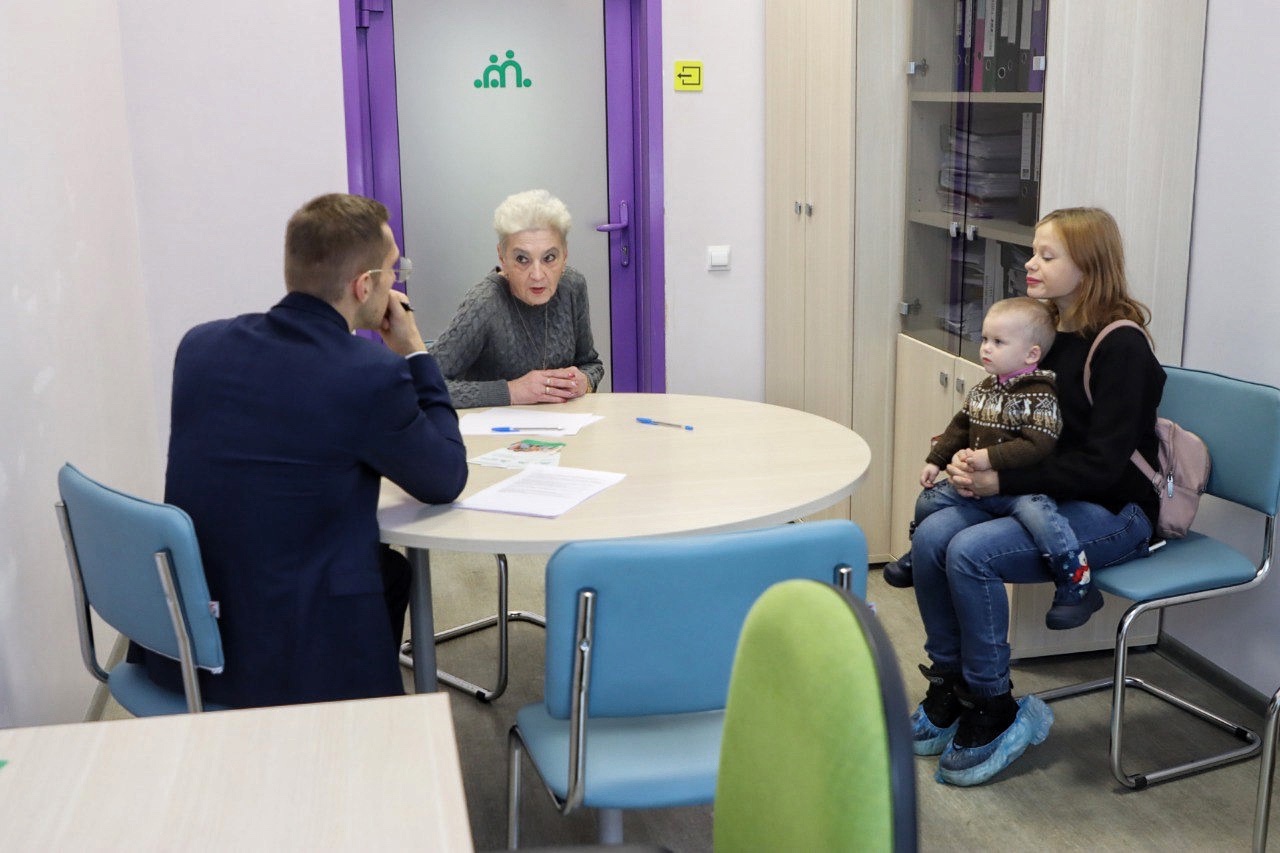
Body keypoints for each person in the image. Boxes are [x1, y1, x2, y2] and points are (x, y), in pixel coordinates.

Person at [137, 193, 469, 708]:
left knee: (388, 571)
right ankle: (352, 722)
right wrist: (416, 354)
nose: (396, 283)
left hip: (186, 633)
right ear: (364, 285)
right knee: (383, 570)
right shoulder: (369, 374)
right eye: (392, 270)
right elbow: (445, 477)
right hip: (286, 654)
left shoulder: (199, 347)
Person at [904, 208, 1164, 786]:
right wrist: (972, 455)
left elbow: (1102, 466)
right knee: (932, 536)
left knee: (970, 551)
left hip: (1116, 509)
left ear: (1088, 266)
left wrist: (1000, 480)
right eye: (1034, 251)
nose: (1030, 263)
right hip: (1048, 495)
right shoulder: (1045, 334)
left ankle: (994, 703)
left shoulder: (1121, 347)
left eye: (1048, 255)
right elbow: (1021, 427)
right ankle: (951, 683)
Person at [884, 297, 1102, 631]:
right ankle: (916, 555)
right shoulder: (985, 388)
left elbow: (1039, 444)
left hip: (1022, 488)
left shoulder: (1040, 394)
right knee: (929, 500)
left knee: (1045, 521)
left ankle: (1076, 581)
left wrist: (989, 458)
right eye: (985, 339)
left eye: (998, 342)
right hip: (980, 487)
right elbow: (960, 426)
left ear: (1031, 354)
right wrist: (936, 460)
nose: (986, 348)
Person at [429, 189, 605, 408]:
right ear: (502, 257)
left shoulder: (572, 286)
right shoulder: (484, 303)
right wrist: (511, 392)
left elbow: (590, 363)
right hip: (493, 427)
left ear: (565, 255)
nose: (538, 275)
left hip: (561, 423)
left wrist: (584, 381)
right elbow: (419, 386)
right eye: (522, 259)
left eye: (549, 258)